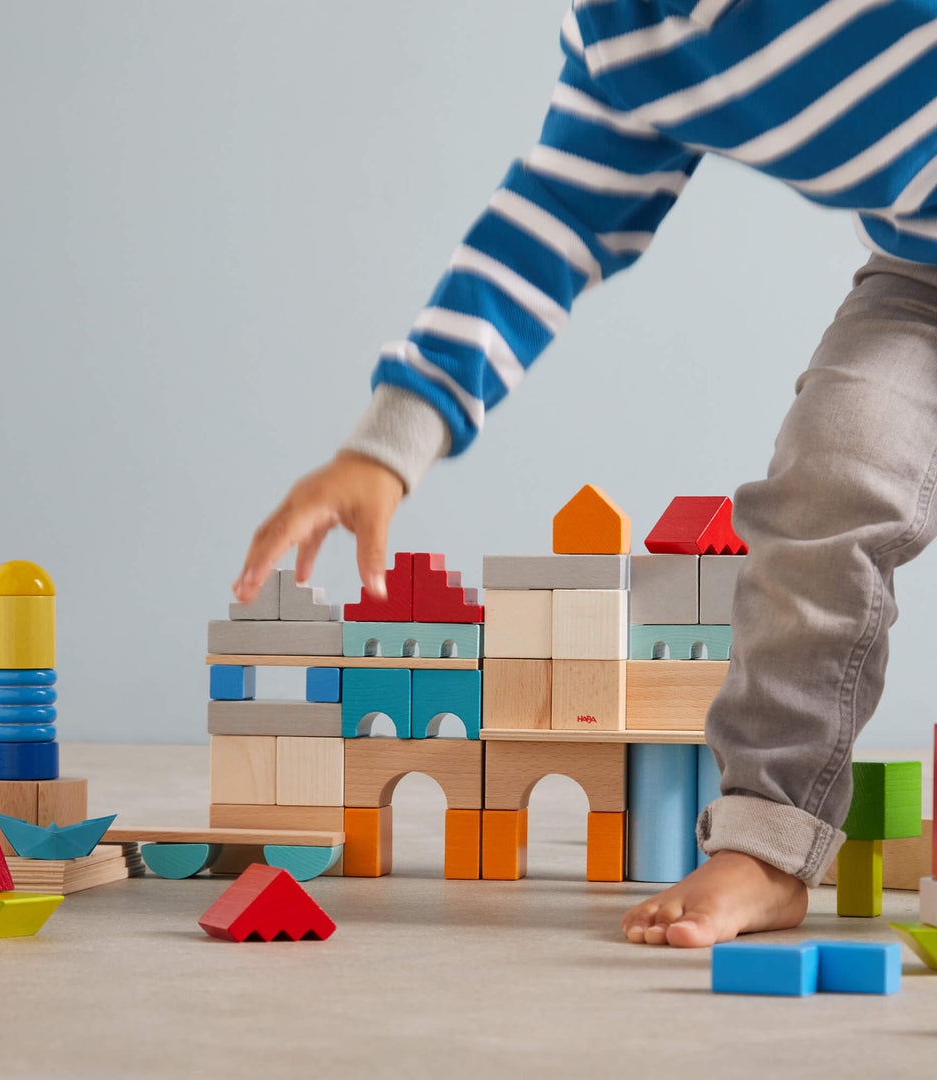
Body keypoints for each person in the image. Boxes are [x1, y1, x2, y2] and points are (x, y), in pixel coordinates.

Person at [233, 0, 937, 946]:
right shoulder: (631, 38)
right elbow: (554, 220)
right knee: (825, 483)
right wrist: (391, 441)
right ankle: (768, 842)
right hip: (922, 289)